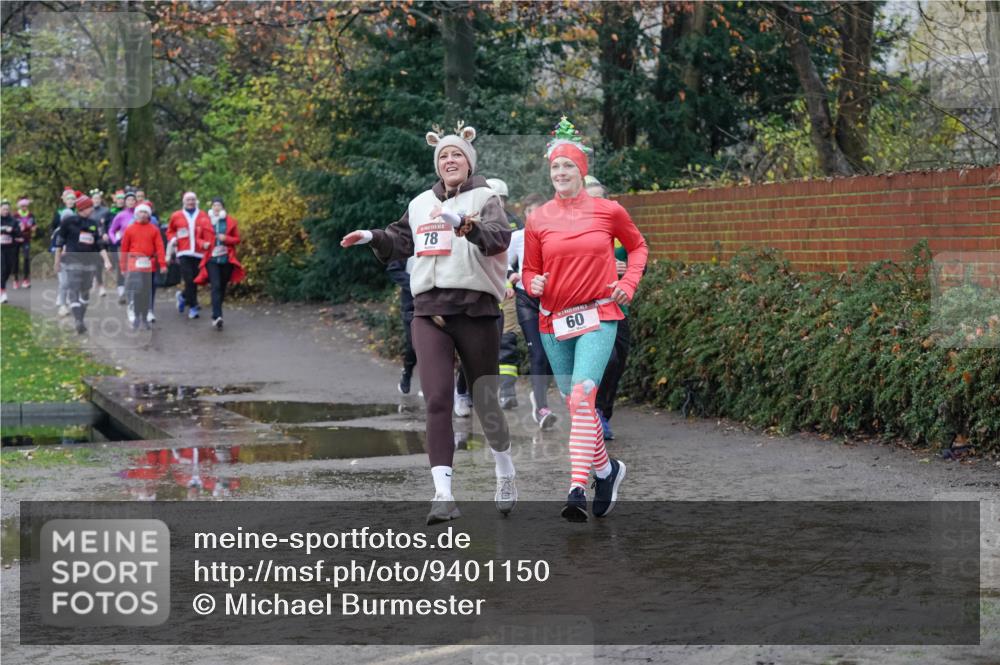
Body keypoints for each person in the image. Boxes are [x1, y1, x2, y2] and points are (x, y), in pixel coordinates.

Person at [341, 123, 515, 524]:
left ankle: (504, 470)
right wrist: (371, 236)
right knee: (437, 400)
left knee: (486, 403)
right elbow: (401, 239)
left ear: (468, 161)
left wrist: (463, 224)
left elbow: (498, 238)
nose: (449, 161)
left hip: (475, 310)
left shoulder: (485, 197)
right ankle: (442, 494)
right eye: (443, 157)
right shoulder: (421, 202)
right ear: (437, 166)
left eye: (456, 155)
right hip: (429, 311)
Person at [521, 117, 648, 521]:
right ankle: (607, 471)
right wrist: (534, 283)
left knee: (582, 396)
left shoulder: (609, 211)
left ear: (582, 171)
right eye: (556, 167)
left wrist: (627, 283)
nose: (561, 173)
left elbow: (639, 247)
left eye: (568, 167)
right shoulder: (538, 218)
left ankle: (577, 487)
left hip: (599, 313)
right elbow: (529, 271)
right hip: (554, 322)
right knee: (577, 404)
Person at [585, 176, 631, 441]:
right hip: (584, 306)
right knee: (607, 358)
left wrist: (631, 272)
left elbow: (639, 254)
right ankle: (593, 413)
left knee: (619, 359)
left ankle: (603, 412)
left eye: (600, 197)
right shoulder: (571, 229)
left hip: (617, 306)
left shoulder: (619, 225)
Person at [507, 192, 557, 429]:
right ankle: (541, 408)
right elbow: (502, 261)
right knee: (537, 353)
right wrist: (511, 275)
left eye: (541, 211)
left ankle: (538, 395)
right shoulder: (518, 237)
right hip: (526, 299)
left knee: (552, 355)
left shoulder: (555, 235)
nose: (535, 216)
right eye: (530, 212)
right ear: (524, 214)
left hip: (553, 300)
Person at [486, 178, 523, 410]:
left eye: (501, 199)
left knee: (507, 339)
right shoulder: (473, 220)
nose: (498, 202)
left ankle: (507, 391)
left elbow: (520, 256)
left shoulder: (514, 223)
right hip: (483, 290)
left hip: (507, 291)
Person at [53, 195, 112, 334]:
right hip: (72, 260)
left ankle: (80, 318)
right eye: (90, 206)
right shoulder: (68, 222)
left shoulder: (94, 223)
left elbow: (99, 244)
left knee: (85, 292)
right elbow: (59, 243)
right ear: (83, 208)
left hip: (89, 262)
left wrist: (107, 260)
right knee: (74, 288)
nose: (92, 208)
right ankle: (79, 320)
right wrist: (56, 262)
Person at [194, 197, 244, 330]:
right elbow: (198, 238)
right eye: (214, 205)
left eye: (219, 205)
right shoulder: (204, 221)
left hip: (227, 259)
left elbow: (237, 239)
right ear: (212, 207)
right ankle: (217, 316)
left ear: (223, 207)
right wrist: (203, 244)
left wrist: (226, 238)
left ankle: (217, 310)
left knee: (222, 287)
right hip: (212, 259)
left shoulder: (230, 221)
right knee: (215, 286)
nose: (217, 208)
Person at [167, 191, 213, 320]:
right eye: (188, 200)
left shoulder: (203, 215)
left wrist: (206, 244)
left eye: (193, 200)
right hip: (183, 251)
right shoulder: (176, 215)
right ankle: (193, 307)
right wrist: (173, 240)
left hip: (199, 252)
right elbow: (170, 231)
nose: (191, 202)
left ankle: (182, 297)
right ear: (184, 201)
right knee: (189, 279)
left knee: (196, 280)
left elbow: (208, 231)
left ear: (196, 201)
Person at [120, 202, 166, 330]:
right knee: (137, 289)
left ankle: (145, 317)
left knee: (146, 291)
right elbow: (124, 249)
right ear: (136, 213)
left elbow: (160, 247)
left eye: (146, 212)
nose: (143, 214)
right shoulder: (130, 229)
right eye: (141, 212)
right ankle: (135, 316)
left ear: (149, 215)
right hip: (134, 262)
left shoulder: (154, 229)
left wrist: (162, 264)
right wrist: (123, 266)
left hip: (148, 263)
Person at [386, 257, 418, 393]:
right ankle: (407, 372)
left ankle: (430, 385)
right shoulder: (407, 243)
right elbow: (393, 269)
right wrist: (416, 284)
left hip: (435, 303)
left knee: (433, 344)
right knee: (414, 345)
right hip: (411, 304)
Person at [50, 188, 78, 316]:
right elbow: (56, 244)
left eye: (73, 198)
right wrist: (57, 260)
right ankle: (62, 304)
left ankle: (69, 300)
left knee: (72, 281)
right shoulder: (58, 231)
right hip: (61, 256)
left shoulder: (76, 228)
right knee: (64, 282)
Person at [109, 192, 137, 304]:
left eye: (133, 200)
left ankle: (132, 291)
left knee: (134, 269)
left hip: (137, 246)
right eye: (128, 200)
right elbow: (111, 230)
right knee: (123, 268)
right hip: (123, 246)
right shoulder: (120, 215)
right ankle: (122, 291)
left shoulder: (140, 214)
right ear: (125, 202)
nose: (131, 202)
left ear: (136, 202)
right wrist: (115, 240)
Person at [1, 200, 23, 303]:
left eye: (7, 209)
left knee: (8, 270)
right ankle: (3, 292)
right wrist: (4, 229)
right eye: (4, 209)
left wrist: (13, 231)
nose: (5, 211)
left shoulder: (13, 220)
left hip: (10, 248)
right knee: (2, 268)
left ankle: (1, 286)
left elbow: (18, 233)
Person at [12, 198, 35, 288]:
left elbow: (34, 225)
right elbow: (12, 228)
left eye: (25, 206)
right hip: (17, 239)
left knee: (26, 258)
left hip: (26, 239)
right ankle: (15, 279)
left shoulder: (31, 215)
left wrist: (33, 228)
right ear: (19, 206)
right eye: (22, 206)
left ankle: (25, 279)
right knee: (15, 259)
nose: (24, 207)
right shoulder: (15, 216)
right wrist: (18, 229)